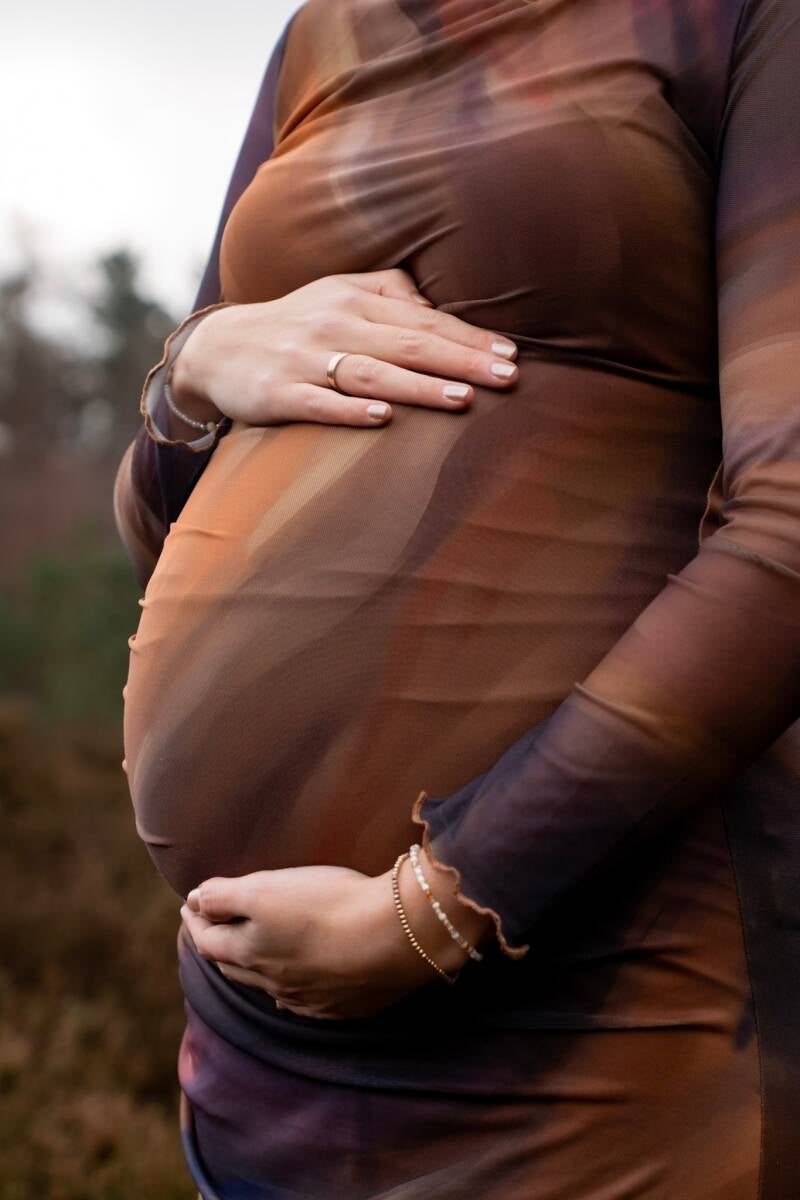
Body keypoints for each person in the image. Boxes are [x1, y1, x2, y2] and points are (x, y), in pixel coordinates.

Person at [114, 1, 800, 1197]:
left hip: (596, 1022)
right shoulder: (320, 34)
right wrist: (197, 370)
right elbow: (166, 514)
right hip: (254, 1046)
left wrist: (441, 904)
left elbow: (793, 529)